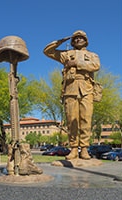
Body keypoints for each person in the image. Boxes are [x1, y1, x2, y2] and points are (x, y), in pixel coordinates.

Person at [44, 30, 101, 160]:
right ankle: (74, 149)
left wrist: (76, 63)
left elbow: (96, 66)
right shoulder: (66, 54)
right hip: (70, 89)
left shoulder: (92, 55)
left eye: (81, 38)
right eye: (75, 38)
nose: (78, 40)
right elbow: (47, 51)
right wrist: (60, 41)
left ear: (86, 40)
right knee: (71, 120)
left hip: (86, 89)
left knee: (86, 119)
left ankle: (85, 149)